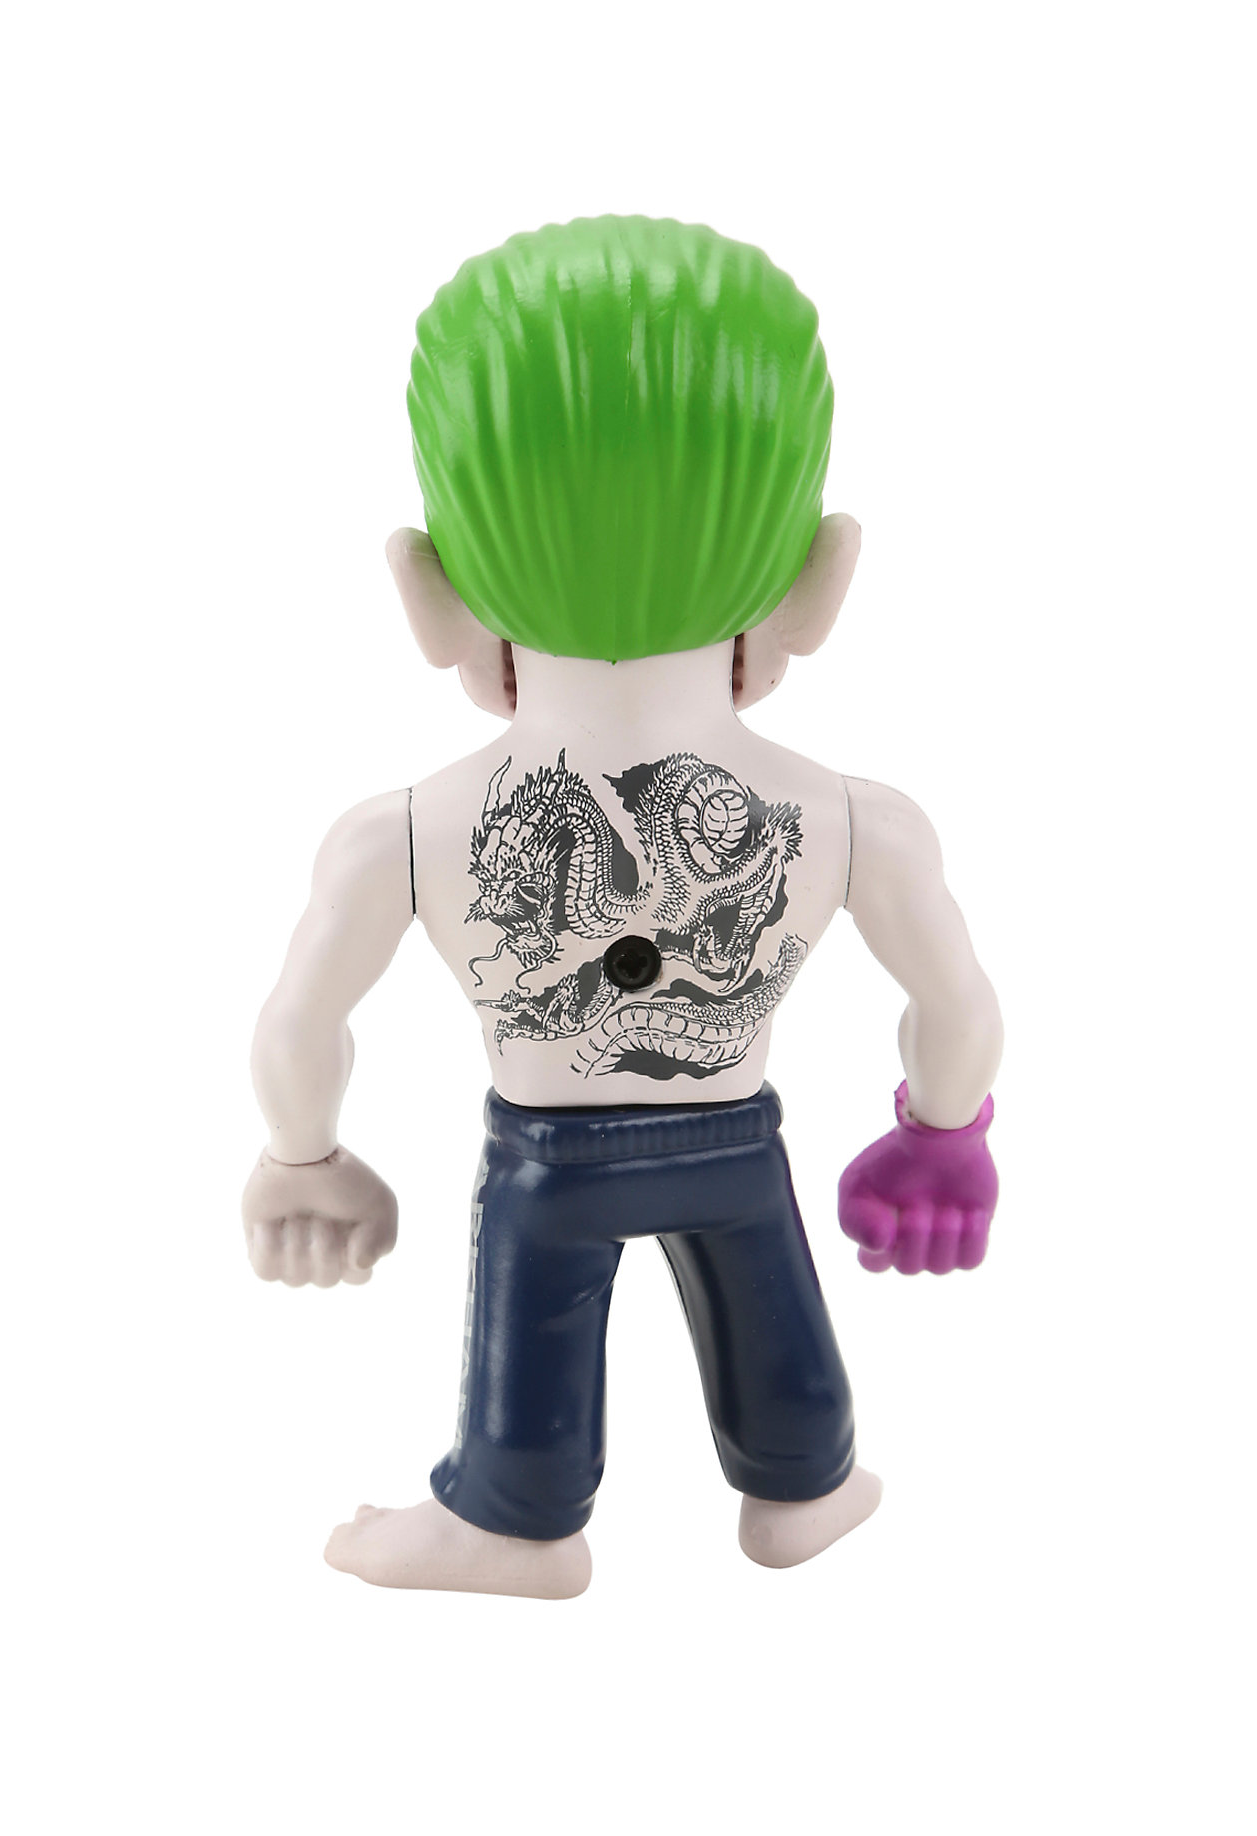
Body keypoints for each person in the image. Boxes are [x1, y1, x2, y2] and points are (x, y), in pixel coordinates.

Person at [242, 218, 1003, 1600]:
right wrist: (941, 1138)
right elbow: (956, 1007)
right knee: (773, 1311)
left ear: (427, 601)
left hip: (548, 1158)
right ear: (823, 584)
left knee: (529, 1320)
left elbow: (299, 1023)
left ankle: (513, 1519)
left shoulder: (400, 833)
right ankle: (805, 1487)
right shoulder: (854, 821)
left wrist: (305, 1161)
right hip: (737, 1135)